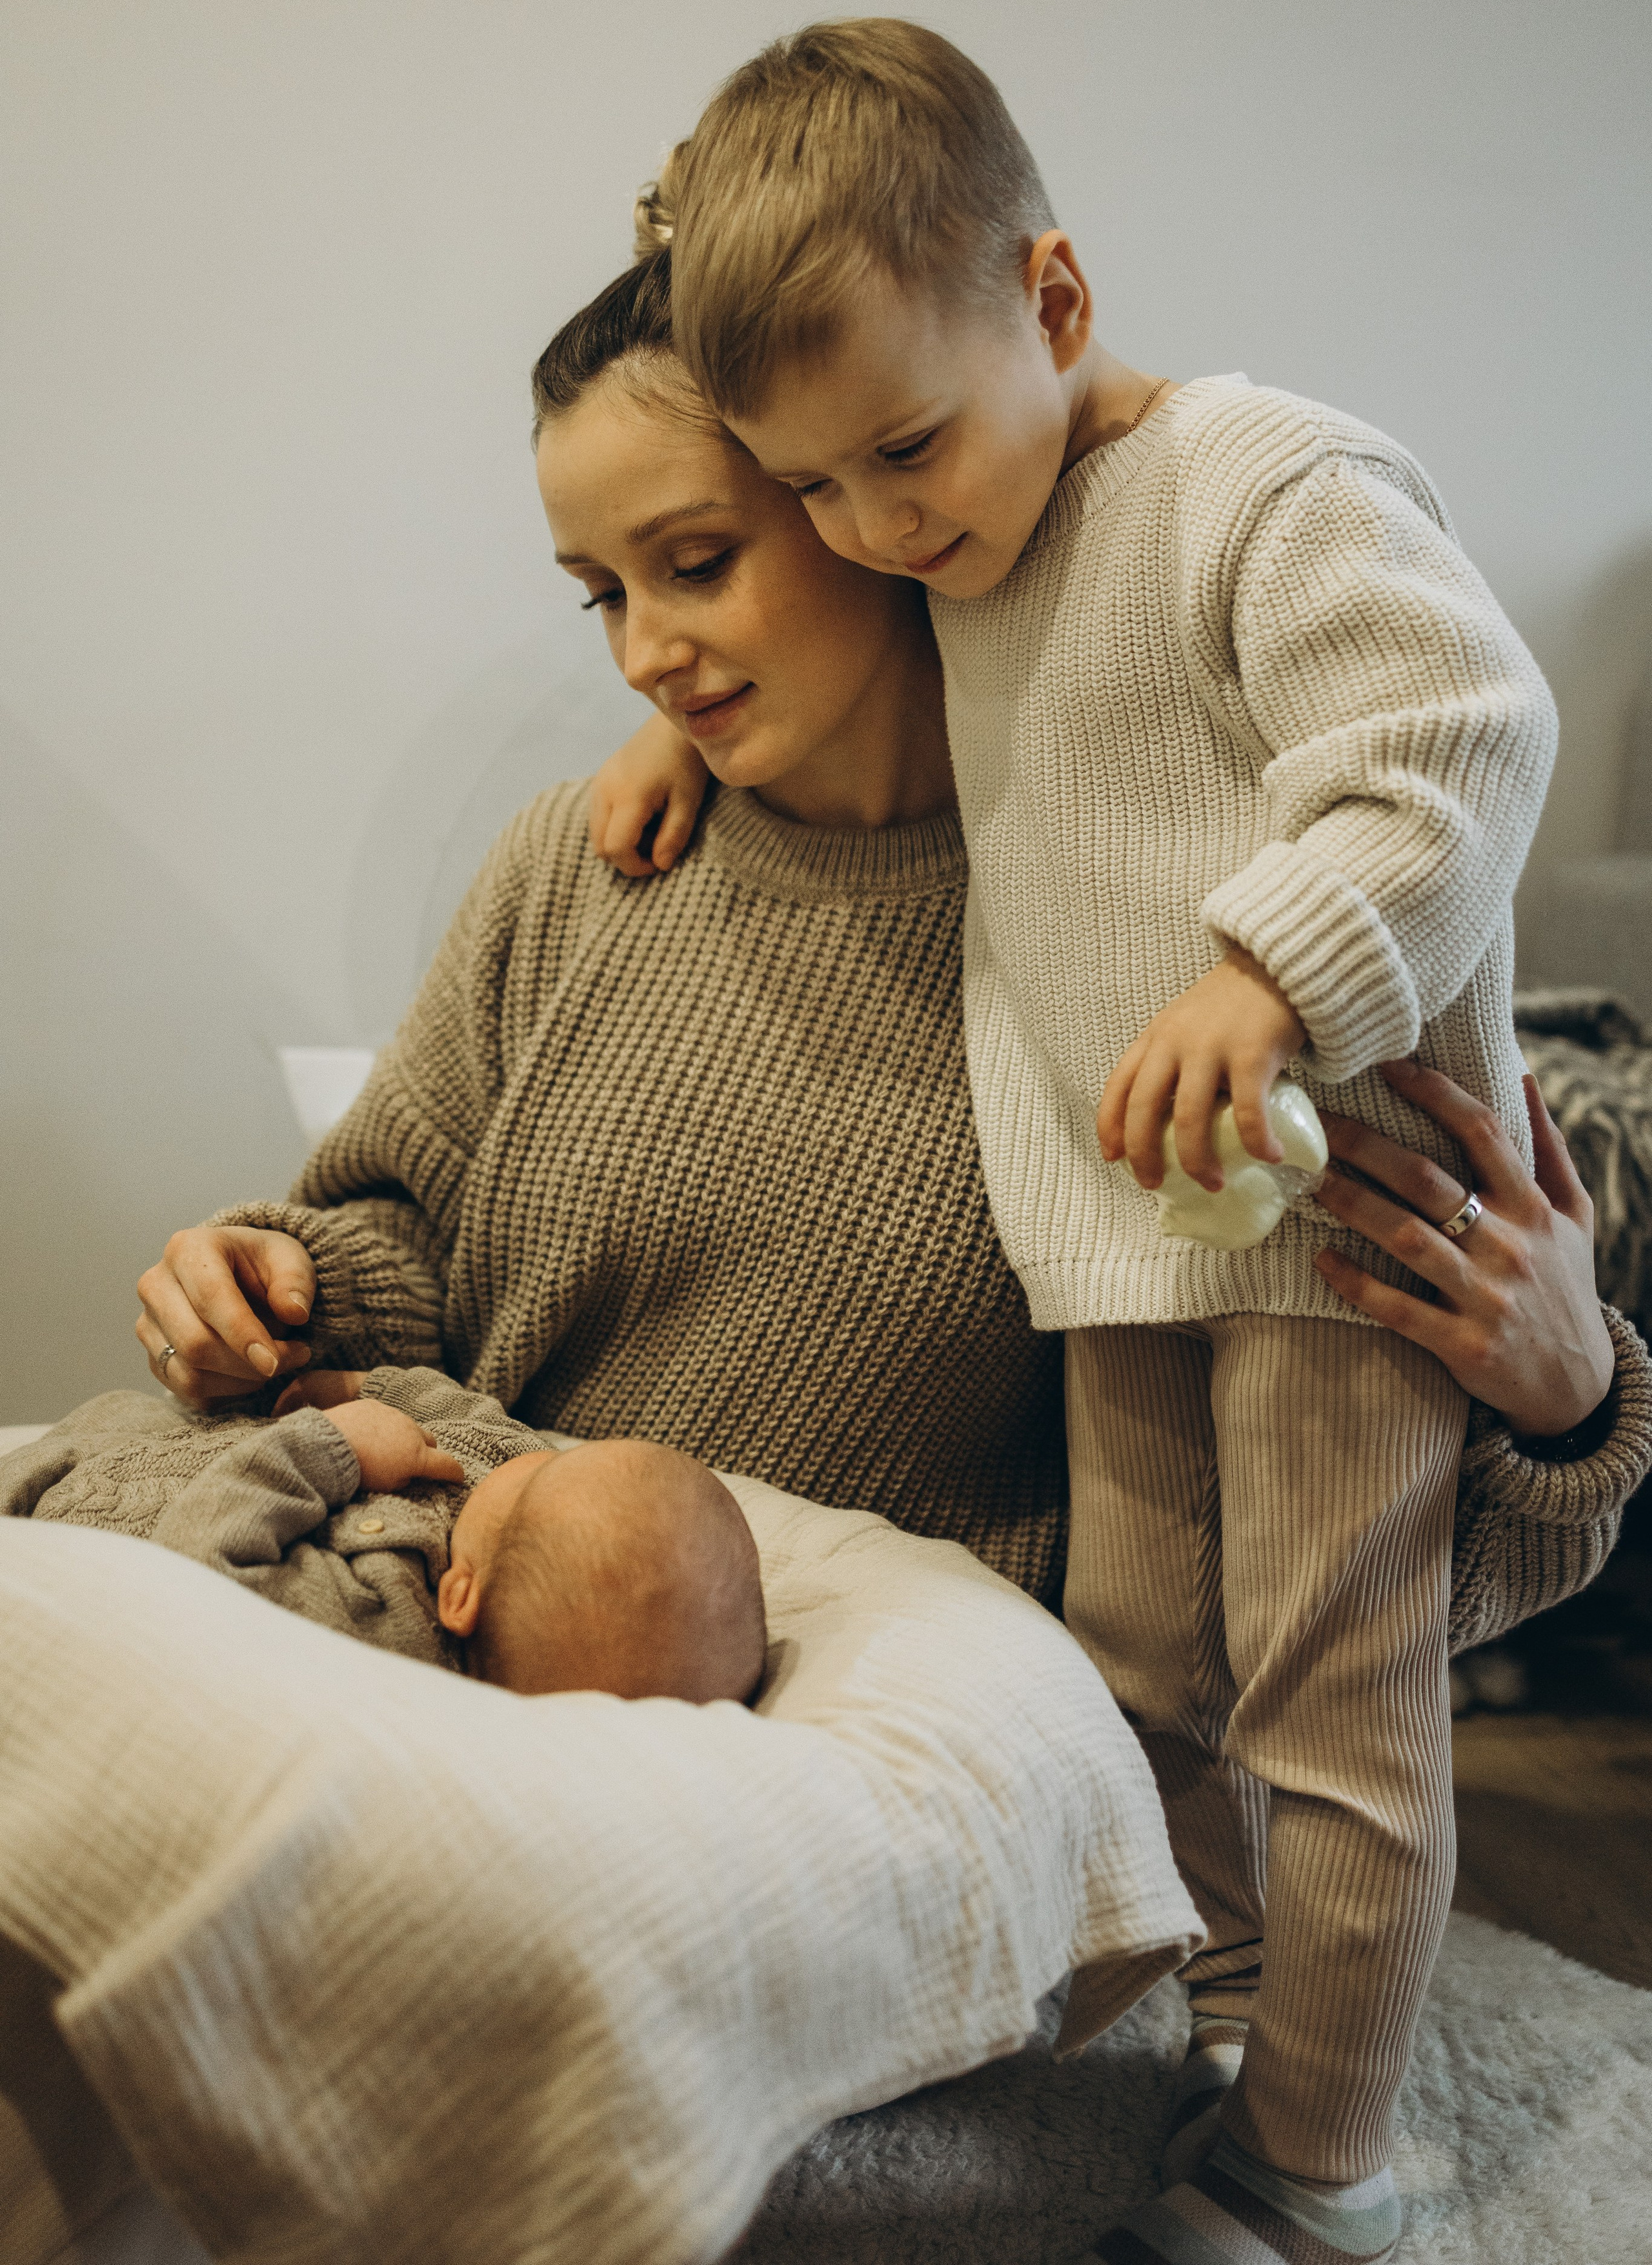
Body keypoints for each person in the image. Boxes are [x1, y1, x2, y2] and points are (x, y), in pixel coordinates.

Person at [130, 234, 1644, 2206]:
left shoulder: (1141, 951)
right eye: (601, 592)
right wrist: (266, 1274)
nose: (642, 652)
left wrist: (1562, 1399)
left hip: (847, 1769)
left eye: (694, 560)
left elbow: (1312, 1612)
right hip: (463, 1605)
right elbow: (395, 1223)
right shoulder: (592, 861)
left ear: (885, 513)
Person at [583, 19, 1598, 2264]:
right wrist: (679, 754)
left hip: (1345, 1216)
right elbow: (860, 694)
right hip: (1119, 1234)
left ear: (1054, 300)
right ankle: (1224, 2037)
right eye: (815, 485)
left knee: (1336, 1701)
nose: (873, 524)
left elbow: (1462, 735)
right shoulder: (971, 549)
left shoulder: (1266, 478)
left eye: (901, 453)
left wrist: (1271, 974)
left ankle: (1332, 2161)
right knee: (1136, 1679)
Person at [3, 1373, 766, 1703]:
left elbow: (200, 1572)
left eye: (542, 1480)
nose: (534, 1456)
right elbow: (464, 1411)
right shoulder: (514, 1464)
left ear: (460, 1595)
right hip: (179, 1424)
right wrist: (363, 1386)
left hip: (67, 1497)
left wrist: (331, 1446)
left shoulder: (384, 1626)